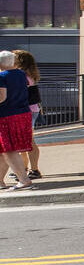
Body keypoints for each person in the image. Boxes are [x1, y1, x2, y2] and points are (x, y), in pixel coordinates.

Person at [0, 52, 33, 191]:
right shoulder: (21, 74)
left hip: (6, 115)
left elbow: (2, 97)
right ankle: (0, 181)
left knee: (8, 149)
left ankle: (24, 179)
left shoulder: (2, 76)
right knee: (3, 150)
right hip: (23, 113)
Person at [11, 49, 41, 183]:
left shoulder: (22, 76)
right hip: (31, 109)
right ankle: (25, 168)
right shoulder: (29, 75)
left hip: (26, 111)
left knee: (28, 141)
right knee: (25, 141)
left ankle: (33, 170)